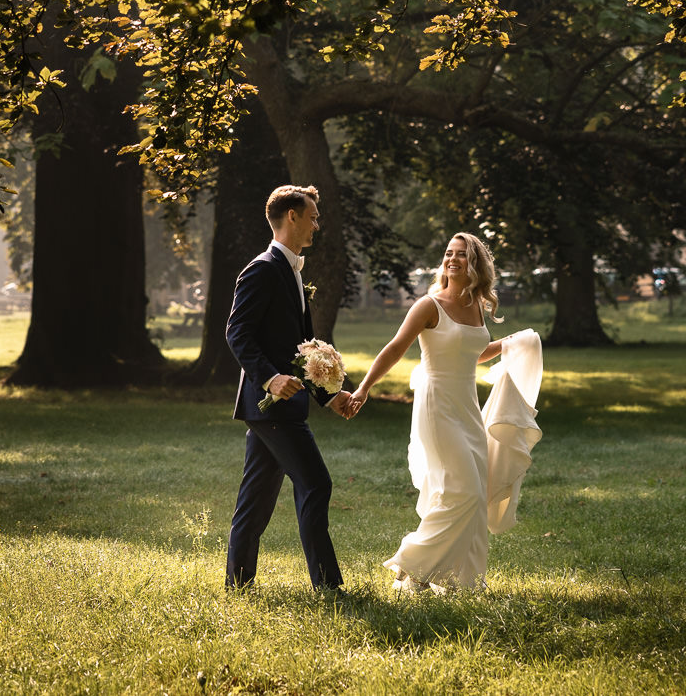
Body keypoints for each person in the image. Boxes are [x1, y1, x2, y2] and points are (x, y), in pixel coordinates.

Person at [348, 232, 542, 592]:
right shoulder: (428, 306)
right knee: (465, 492)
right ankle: (411, 562)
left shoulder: (476, 306)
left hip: (467, 406)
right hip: (436, 405)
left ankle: (457, 581)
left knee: (471, 493)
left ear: (476, 265)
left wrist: (512, 343)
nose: (453, 260)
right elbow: (395, 347)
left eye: (462, 255)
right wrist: (364, 388)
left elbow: (470, 352)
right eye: (449, 254)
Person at [224, 184, 355, 592]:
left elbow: (303, 351)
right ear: (292, 216)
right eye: (313, 216)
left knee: (256, 501)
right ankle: (328, 587)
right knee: (316, 483)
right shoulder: (263, 268)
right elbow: (237, 332)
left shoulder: (293, 271)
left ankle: (237, 585)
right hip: (271, 404)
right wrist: (269, 378)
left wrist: (329, 396)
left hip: (280, 408)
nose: (317, 224)